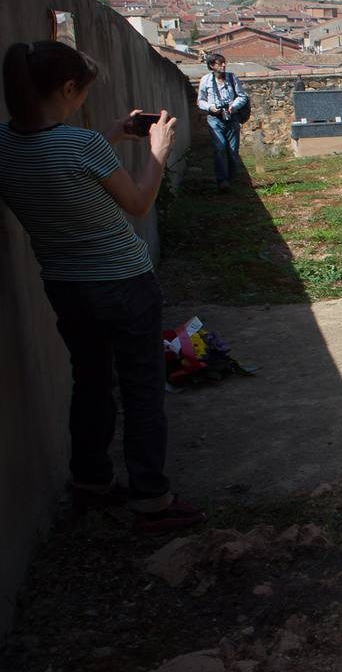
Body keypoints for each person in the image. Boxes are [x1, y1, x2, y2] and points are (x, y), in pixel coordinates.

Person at [0, 41, 204, 533]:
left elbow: (56, 165)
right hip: (124, 285)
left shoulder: (7, 143)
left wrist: (111, 134)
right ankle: (151, 499)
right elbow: (137, 202)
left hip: (67, 286)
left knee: (89, 382)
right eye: (80, 94)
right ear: (67, 89)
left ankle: (90, 482)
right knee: (140, 391)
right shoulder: (82, 146)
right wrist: (156, 153)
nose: (82, 104)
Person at [196, 53, 247, 193]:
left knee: (232, 150)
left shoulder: (232, 78)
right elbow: (200, 101)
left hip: (232, 117)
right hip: (215, 118)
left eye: (224, 62)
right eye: (220, 63)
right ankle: (222, 181)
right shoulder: (205, 80)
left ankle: (231, 178)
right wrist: (210, 108)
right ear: (212, 66)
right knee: (219, 148)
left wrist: (233, 106)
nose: (223, 65)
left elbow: (242, 96)